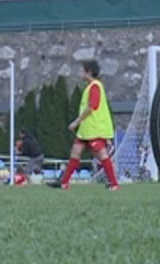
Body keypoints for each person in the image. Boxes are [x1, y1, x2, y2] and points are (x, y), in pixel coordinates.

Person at [48, 60, 120, 191]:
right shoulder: (91, 86)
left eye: (83, 70)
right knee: (75, 153)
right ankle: (64, 183)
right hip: (86, 130)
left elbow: (92, 107)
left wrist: (76, 121)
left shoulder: (95, 86)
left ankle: (114, 184)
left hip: (94, 129)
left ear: (89, 72)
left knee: (102, 156)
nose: (81, 73)